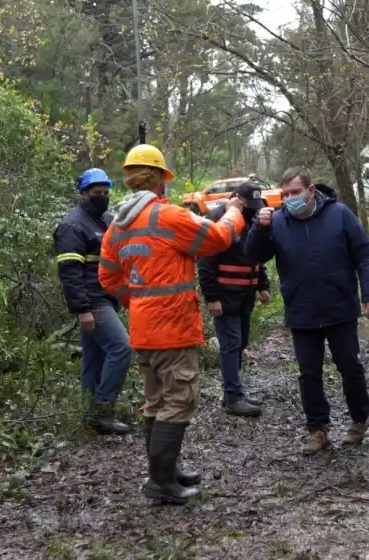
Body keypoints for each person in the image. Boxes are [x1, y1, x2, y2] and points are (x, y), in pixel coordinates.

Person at [98, 144, 246, 504]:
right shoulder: (168, 217)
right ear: (161, 180)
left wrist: (140, 302)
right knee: (179, 400)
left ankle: (163, 473)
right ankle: (162, 483)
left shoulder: (117, 226)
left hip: (144, 329)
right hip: (173, 329)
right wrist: (234, 213)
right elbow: (218, 238)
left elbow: (108, 278)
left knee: (156, 401)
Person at [244, 167, 369, 455]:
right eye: (285, 194)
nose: (290, 198)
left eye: (295, 192)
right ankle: (317, 429)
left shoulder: (339, 214)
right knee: (309, 373)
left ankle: (359, 419)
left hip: (339, 307)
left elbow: (365, 254)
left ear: (311, 191)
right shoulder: (278, 221)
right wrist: (259, 226)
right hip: (301, 310)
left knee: (350, 367)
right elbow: (254, 256)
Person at [54, 168, 134, 435]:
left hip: (108, 298)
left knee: (94, 357)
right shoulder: (72, 225)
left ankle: (88, 415)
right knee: (122, 348)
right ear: (84, 194)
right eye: (96, 193)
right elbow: (70, 272)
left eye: (105, 192)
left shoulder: (107, 221)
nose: (102, 197)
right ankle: (103, 409)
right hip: (93, 301)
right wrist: (82, 309)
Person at [197, 181, 271, 417]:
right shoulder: (218, 218)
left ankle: (233, 391)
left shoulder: (251, 218)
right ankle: (233, 397)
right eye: (250, 203)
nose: (254, 208)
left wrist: (263, 285)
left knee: (241, 343)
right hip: (224, 295)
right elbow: (206, 260)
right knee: (230, 345)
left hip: (246, 295)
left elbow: (255, 254)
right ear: (237, 197)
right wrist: (211, 297)